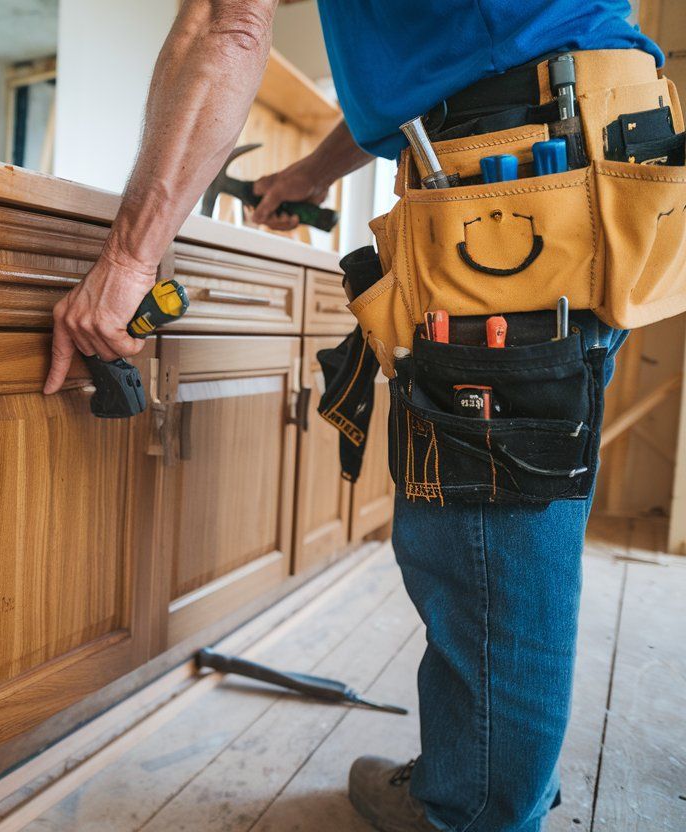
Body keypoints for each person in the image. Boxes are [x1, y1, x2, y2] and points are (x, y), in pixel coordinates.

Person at [42, 2, 664, 831]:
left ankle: (477, 809)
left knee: (488, 530)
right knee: (521, 500)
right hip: (590, 142)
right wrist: (313, 172)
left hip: (521, 164)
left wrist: (127, 257)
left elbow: (226, 25)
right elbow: (438, 61)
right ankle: (495, 774)